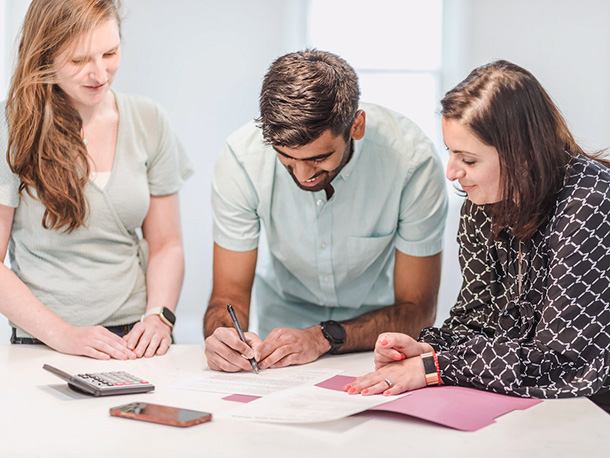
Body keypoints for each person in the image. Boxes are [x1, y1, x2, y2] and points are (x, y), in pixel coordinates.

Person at [346, 60, 610, 412]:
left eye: (467, 159)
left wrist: (435, 367)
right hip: (531, 404)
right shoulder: (481, 200)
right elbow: (477, 319)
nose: (452, 172)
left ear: (522, 157)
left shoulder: (591, 204)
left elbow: (562, 362)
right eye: (450, 152)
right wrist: (426, 350)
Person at [204, 49, 448, 372]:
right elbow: (228, 294)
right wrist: (222, 336)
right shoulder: (241, 160)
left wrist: (321, 338)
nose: (304, 176)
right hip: (277, 346)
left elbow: (417, 311)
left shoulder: (412, 164)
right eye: (287, 159)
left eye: (319, 159)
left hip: (376, 345)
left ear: (356, 126)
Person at [0, 0, 193, 360]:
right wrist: (65, 336)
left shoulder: (150, 120)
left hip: (137, 339)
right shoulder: (10, 127)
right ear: (44, 57)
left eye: (110, 52)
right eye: (78, 61)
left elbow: (167, 244)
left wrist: (159, 318)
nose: (100, 74)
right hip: (43, 345)